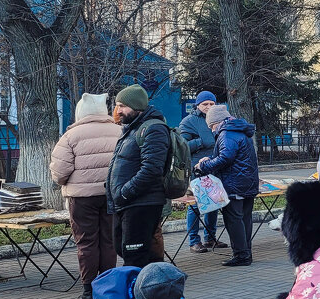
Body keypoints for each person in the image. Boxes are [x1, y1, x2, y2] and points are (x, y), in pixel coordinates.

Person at [50, 92, 121, 299]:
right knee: (109, 241)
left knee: (86, 243)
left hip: (81, 199)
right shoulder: (120, 131)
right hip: (111, 194)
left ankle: (89, 290)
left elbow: (60, 172)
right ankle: (108, 290)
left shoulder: (71, 136)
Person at [107, 85, 170, 269]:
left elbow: (151, 169)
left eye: (123, 106)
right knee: (125, 249)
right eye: (117, 105)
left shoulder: (153, 128)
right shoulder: (132, 128)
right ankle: (150, 290)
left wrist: (126, 192)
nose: (118, 111)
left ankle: (141, 294)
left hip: (141, 202)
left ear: (137, 106)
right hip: (128, 202)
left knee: (135, 256)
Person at [196, 105, 259, 267]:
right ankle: (246, 253)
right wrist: (209, 159)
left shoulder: (226, 133)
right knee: (245, 218)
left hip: (233, 183)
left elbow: (225, 158)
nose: (211, 130)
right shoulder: (238, 131)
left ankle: (241, 255)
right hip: (246, 182)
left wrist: (204, 166)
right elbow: (228, 154)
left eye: (211, 126)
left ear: (217, 122)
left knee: (234, 219)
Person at [178, 91, 224, 254]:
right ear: (198, 105)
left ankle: (210, 238)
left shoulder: (220, 119)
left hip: (215, 168)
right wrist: (200, 142)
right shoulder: (188, 122)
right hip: (197, 170)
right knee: (196, 206)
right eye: (205, 104)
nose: (208, 107)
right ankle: (194, 241)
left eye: (212, 104)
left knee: (213, 205)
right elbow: (182, 147)